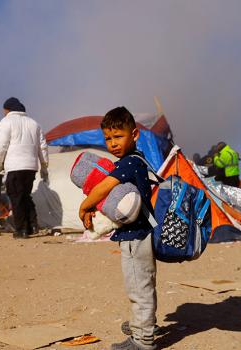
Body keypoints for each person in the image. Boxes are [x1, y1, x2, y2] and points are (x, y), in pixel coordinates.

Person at [79, 106, 157, 350]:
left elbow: (103, 187)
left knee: (139, 287)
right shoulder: (136, 160)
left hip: (137, 238)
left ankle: (143, 340)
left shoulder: (129, 162)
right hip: (138, 235)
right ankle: (141, 325)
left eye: (118, 136)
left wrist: (84, 205)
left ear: (134, 135)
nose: (112, 143)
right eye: (107, 139)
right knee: (140, 284)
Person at [0, 97, 49, 239]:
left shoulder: (6, 122)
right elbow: (42, 147)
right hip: (31, 167)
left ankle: (21, 230)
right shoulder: (34, 123)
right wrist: (44, 166)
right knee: (25, 196)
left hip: (14, 166)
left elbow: (0, 145)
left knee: (16, 198)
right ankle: (32, 225)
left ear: (7, 109)